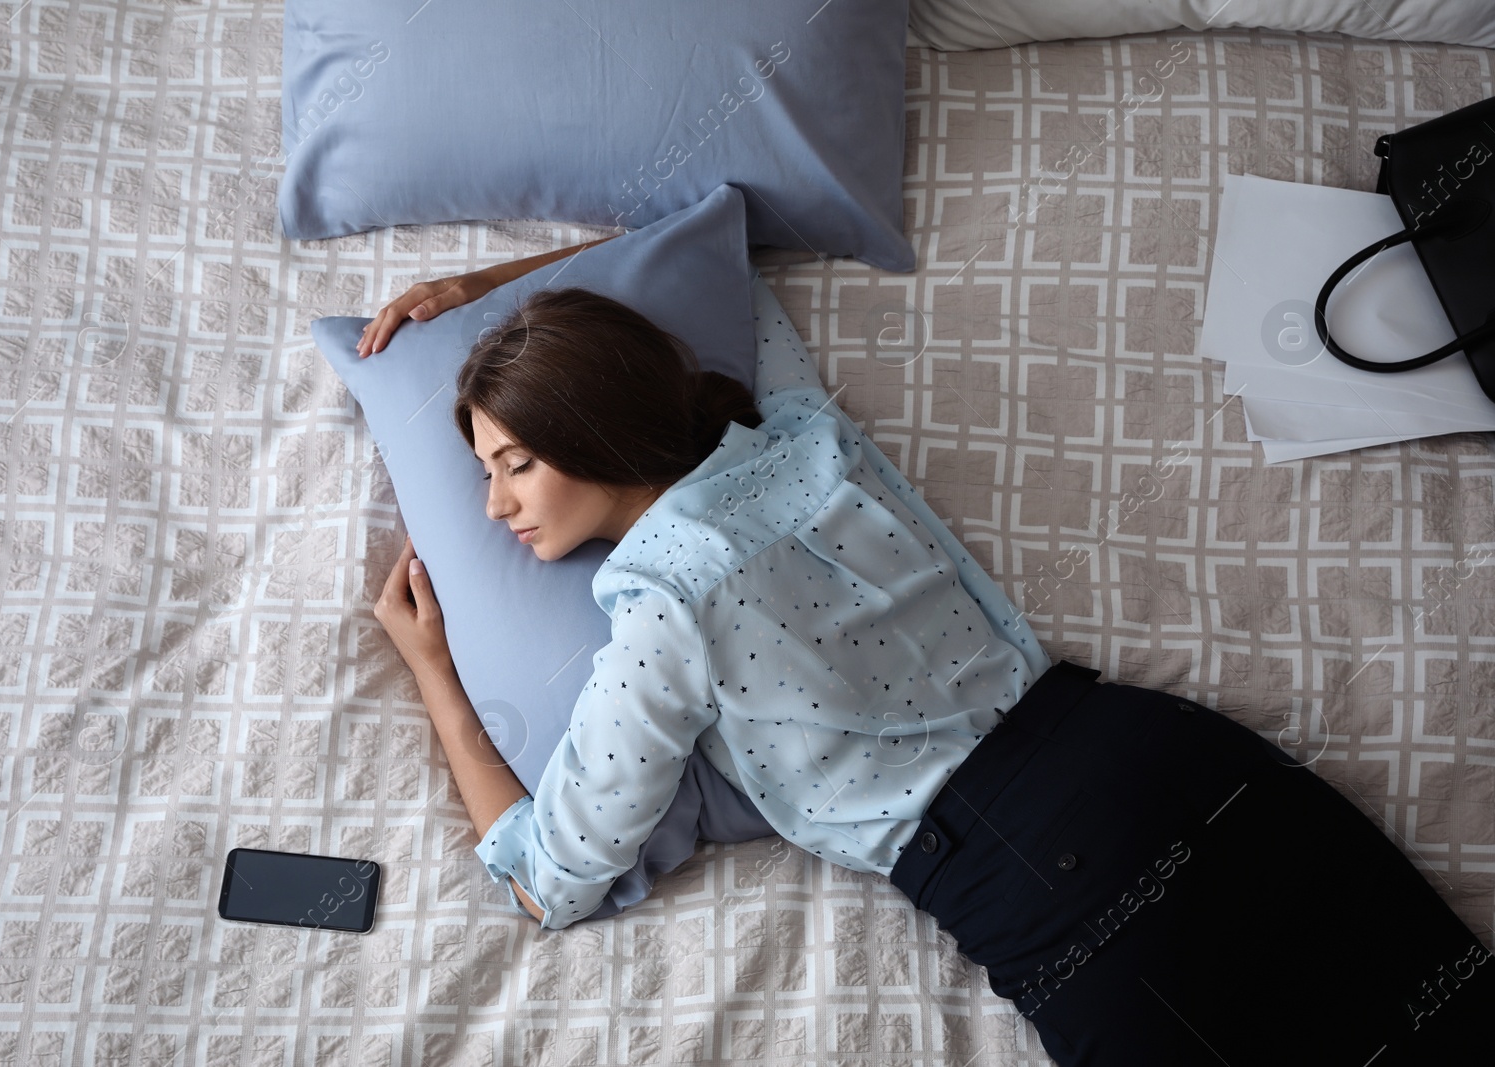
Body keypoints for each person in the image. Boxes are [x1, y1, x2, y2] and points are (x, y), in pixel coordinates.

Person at [361, 238, 1493, 1066]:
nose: (493, 503)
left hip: (1042, 880)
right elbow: (711, 233)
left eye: (510, 462)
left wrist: (433, 673)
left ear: (587, 426)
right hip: (1158, 751)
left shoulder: (661, 607)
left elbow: (547, 878)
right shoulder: (803, 436)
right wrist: (495, 290)